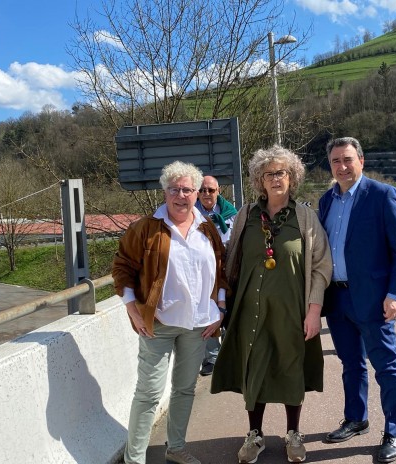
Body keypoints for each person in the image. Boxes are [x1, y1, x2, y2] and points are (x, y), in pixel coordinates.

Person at [211, 145, 332, 464]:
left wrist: (314, 309)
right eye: (269, 174)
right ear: (259, 180)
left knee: (291, 369)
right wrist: (221, 303)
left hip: (293, 311)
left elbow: (321, 266)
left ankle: (294, 434)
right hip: (250, 311)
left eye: (282, 172)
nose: (276, 178)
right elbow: (228, 260)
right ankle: (255, 435)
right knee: (254, 369)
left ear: (292, 178)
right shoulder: (245, 216)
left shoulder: (306, 216)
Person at [111, 161, 228, 464]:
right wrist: (133, 309)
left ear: (197, 193)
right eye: (174, 189)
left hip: (198, 325)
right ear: (165, 192)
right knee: (149, 394)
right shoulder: (146, 228)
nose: (181, 195)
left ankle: (175, 448)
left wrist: (220, 308)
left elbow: (222, 269)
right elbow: (122, 266)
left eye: (187, 189)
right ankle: (134, 459)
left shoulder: (207, 227)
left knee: (185, 389)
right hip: (158, 325)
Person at [318, 137, 396, 463]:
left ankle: (394, 431)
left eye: (347, 159)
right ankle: (356, 418)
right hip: (338, 299)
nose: (342, 167)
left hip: (374, 301)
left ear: (361, 160)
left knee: (387, 367)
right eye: (335, 161)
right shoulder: (326, 200)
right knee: (351, 365)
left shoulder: (383, 195)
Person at [195, 175, 237, 376]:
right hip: (203, 274)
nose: (206, 194)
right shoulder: (190, 214)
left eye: (210, 190)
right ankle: (211, 358)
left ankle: (230, 355)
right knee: (207, 312)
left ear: (218, 191)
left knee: (231, 312)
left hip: (229, 269)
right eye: (202, 190)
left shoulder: (232, 214)